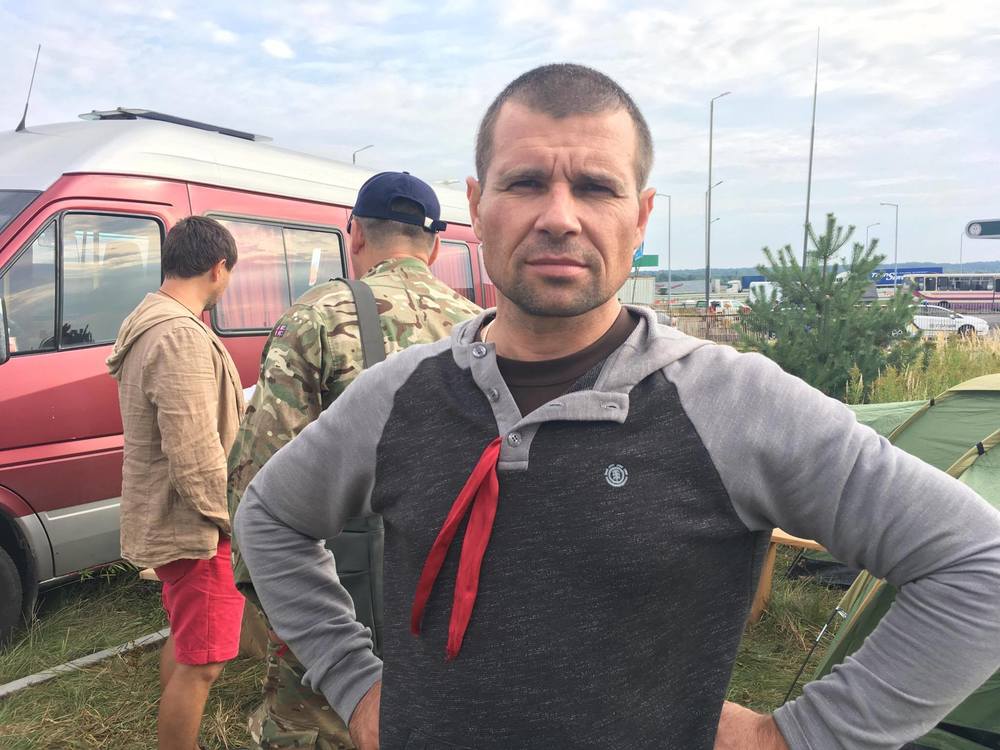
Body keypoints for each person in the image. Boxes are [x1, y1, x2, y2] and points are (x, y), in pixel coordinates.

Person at [233, 64, 1000, 750]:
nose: (559, 216)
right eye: (525, 182)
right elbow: (268, 519)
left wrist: (798, 736)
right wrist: (355, 684)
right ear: (476, 205)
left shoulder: (731, 403)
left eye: (596, 187)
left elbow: (977, 564)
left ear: (641, 215)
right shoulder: (398, 395)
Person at [227, 171, 481, 750]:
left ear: (356, 237)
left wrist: (278, 611)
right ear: (434, 247)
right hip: (450, 602)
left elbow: (257, 480)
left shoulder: (315, 318)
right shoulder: (479, 327)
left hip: (338, 601)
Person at [107, 216, 245, 750]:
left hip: (180, 518)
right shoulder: (179, 335)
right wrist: (236, 522)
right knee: (203, 664)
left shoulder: (156, 321)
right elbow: (194, 455)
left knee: (189, 644)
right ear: (218, 268)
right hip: (198, 527)